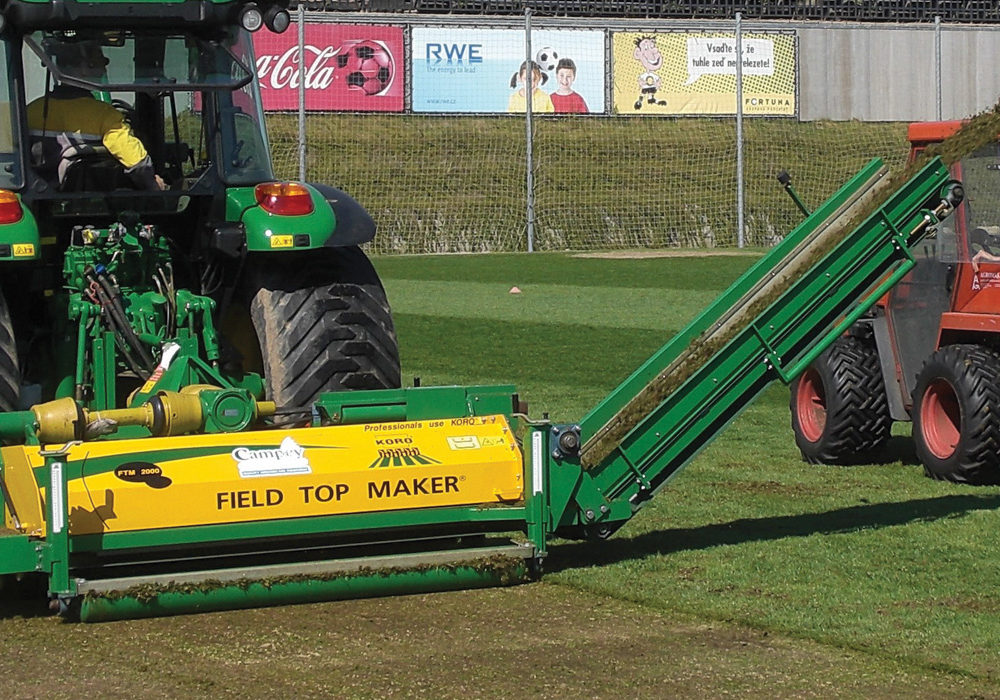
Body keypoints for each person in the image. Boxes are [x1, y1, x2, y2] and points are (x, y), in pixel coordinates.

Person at [26, 41, 164, 191]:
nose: (104, 69)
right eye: (100, 62)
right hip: (87, 203)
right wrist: (154, 185)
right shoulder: (105, 115)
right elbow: (137, 163)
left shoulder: (30, 112)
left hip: (41, 200)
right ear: (84, 68)